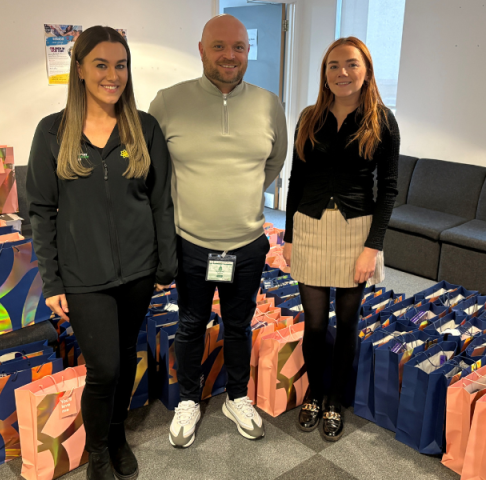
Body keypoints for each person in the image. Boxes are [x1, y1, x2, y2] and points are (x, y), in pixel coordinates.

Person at [27, 26, 176, 480]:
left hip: (138, 271)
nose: (113, 75)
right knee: (104, 368)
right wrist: (52, 280)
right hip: (84, 276)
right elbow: (40, 210)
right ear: (79, 69)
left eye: (121, 65)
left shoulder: (144, 127)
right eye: (101, 64)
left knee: (128, 354)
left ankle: (117, 436)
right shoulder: (52, 132)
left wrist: (165, 263)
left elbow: (160, 200)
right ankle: (97, 454)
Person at [148, 14, 288, 448]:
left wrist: (238, 193)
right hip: (191, 244)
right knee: (190, 324)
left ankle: (237, 396)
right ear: (202, 49)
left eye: (239, 47)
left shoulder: (268, 103)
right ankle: (189, 399)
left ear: (248, 52)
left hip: (247, 244)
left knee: (239, 325)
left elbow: (273, 163)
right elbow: (156, 172)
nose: (230, 55)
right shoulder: (168, 102)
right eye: (220, 46)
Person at [282, 37, 400, 441]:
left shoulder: (382, 120)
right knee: (315, 323)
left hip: (356, 231)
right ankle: (316, 389)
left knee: (347, 321)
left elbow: (388, 190)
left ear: (365, 70)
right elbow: (296, 180)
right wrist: (289, 235)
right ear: (324, 73)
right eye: (333, 65)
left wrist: (373, 246)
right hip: (310, 225)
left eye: (351, 64)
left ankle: (335, 397)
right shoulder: (309, 117)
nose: (342, 73)